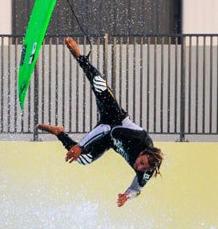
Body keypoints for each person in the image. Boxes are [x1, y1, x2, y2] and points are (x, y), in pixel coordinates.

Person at [38, 37, 164, 207]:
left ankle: (59, 132)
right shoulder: (139, 139)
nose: (139, 167)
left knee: (83, 159)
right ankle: (79, 56)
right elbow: (106, 129)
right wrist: (81, 145)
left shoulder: (146, 172)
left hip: (109, 140)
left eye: (143, 168)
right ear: (143, 153)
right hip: (114, 119)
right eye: (141, 162)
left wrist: (127, 196)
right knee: (99, 84)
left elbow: (137, 188)